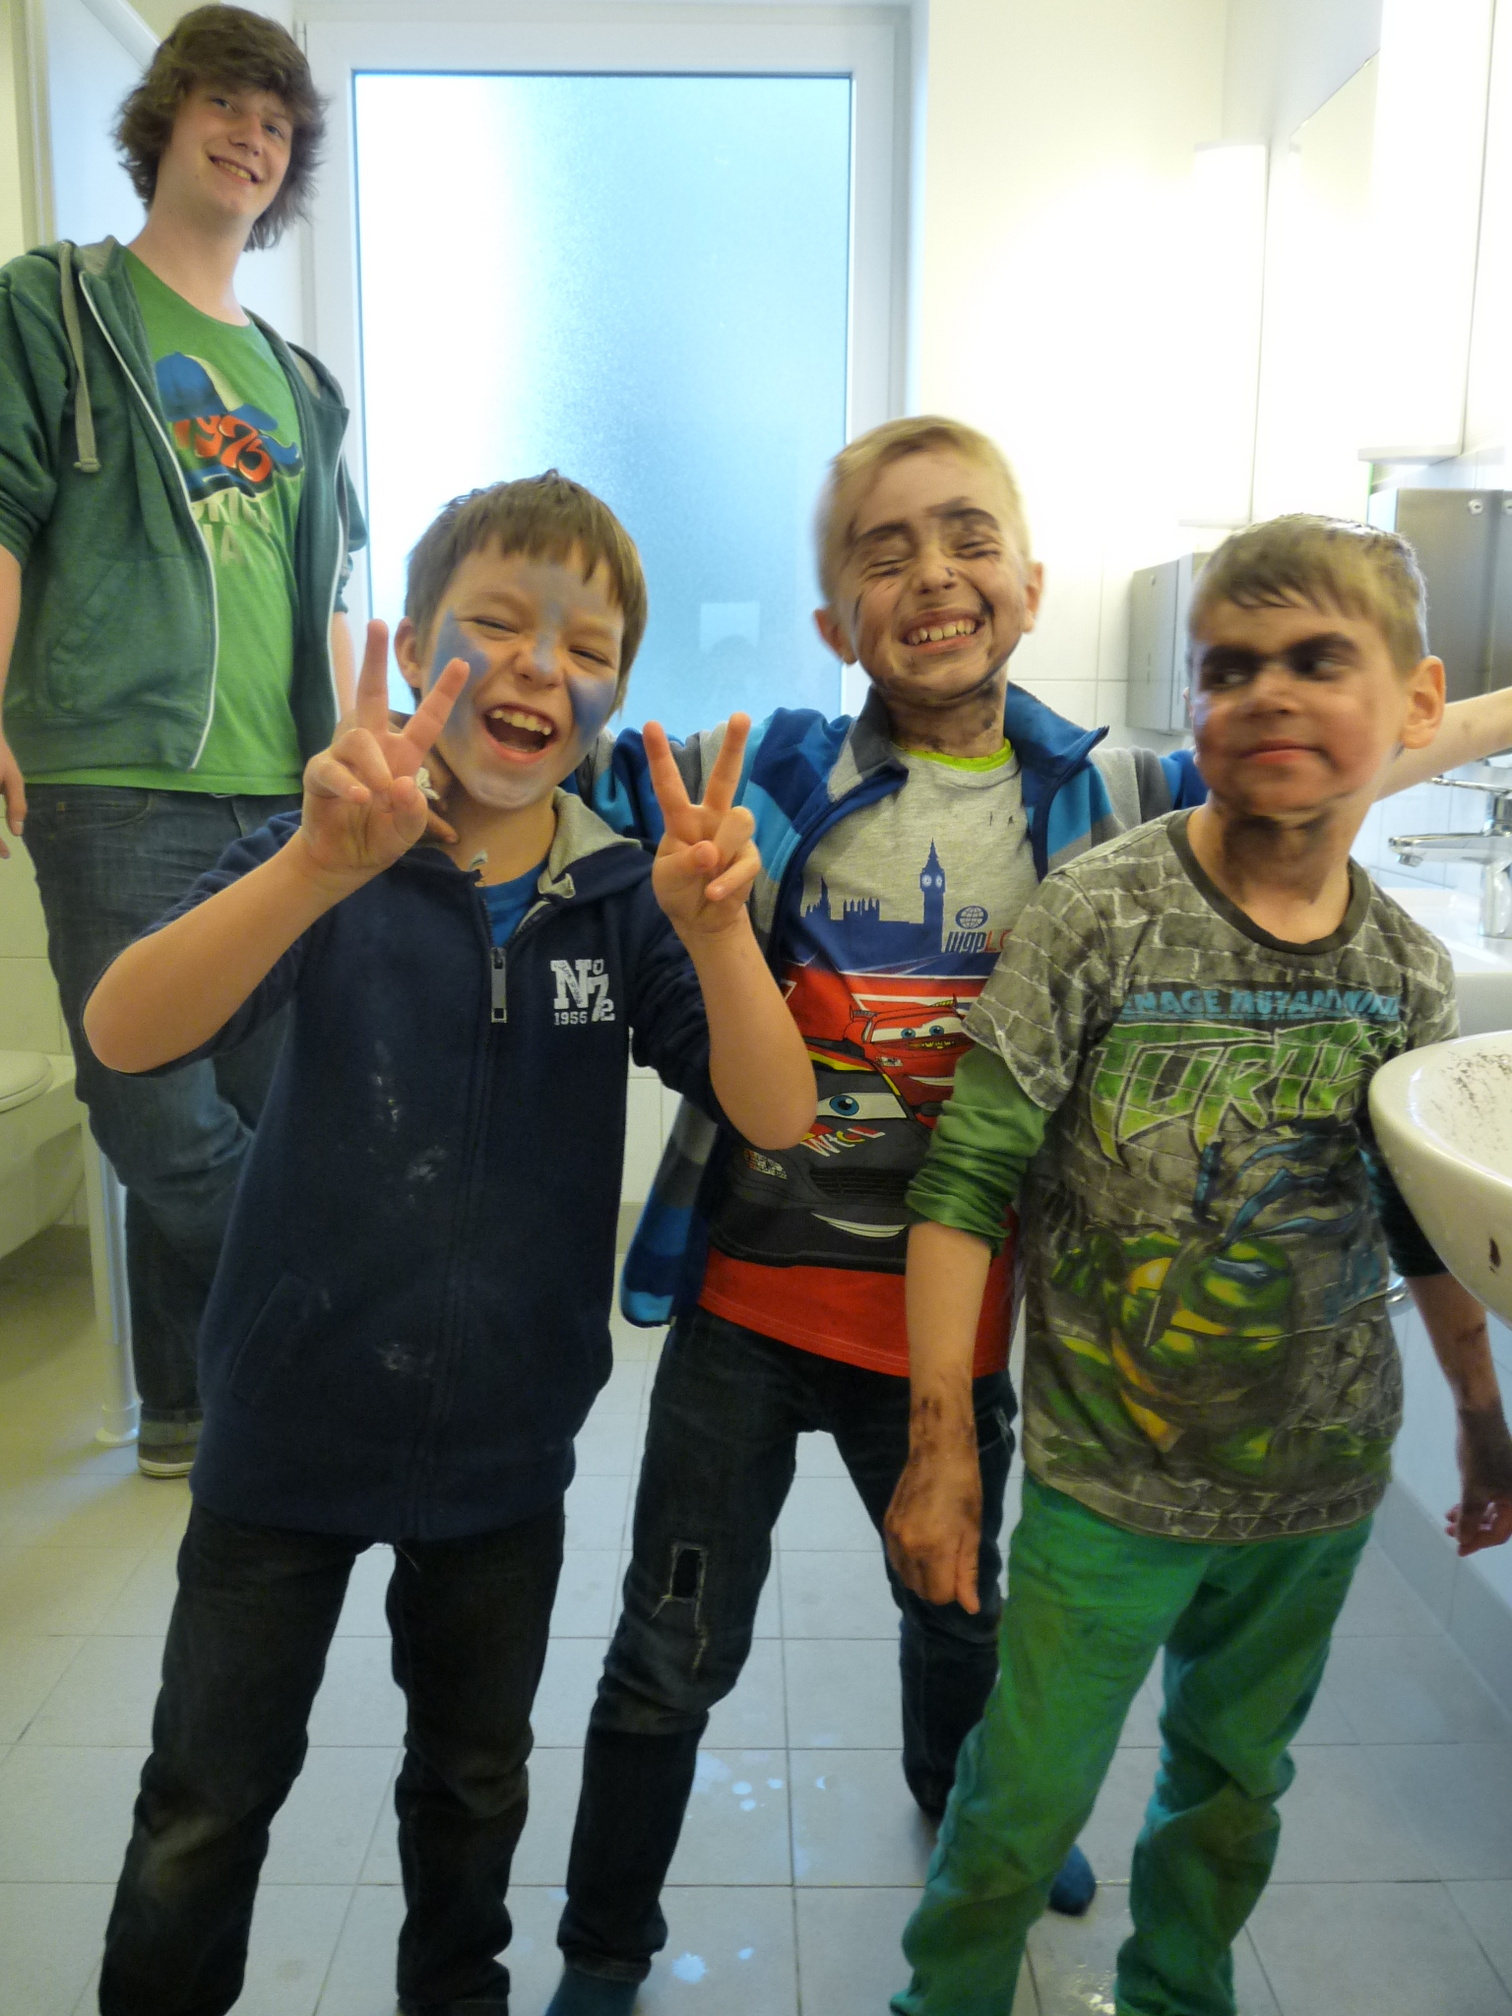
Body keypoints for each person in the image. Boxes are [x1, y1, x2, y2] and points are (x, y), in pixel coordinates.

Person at [543, 417, 1512, 2016]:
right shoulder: (771, 771)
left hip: (970, 1320)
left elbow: (1348, 751)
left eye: (968, 536)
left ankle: (967, 1810)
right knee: (669, 1646)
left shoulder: (1115, 791)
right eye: (886, 552)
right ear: (833, 619)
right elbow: (547, 769)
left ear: (1032, 584)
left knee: (957, 1609)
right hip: (749, 1308)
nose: (933, 572)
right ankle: (603, 1943)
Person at [82, 471, 814, 2016]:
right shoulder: (335, 851)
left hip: (501, 1452)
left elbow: (779, 1110)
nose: (543, 663)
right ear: (417, 651)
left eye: (588, 645)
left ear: (615, 693)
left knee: (473, 1791)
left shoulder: (620, 895)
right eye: (498, 624)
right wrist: (312, 868)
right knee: (204, 1805)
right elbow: (126, 1030)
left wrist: (716, 936)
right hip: (283, 1429)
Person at [884, 512, 1512, 2016]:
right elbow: (967, 1180)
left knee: (1233, 1796)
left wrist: (1481, 1413)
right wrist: (942, 1449)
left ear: (1417, 702)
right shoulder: (1102, 914)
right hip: (1109, 1489)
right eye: (1229, 668)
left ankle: (1179, 1995)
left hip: (1316, 1489)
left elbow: (1423, 1218)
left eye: (1318, 660)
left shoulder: (1407, 969)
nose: (1269, 695)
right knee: (1018, 1808)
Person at [0, 6, 363, 1475]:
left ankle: (188, 1410)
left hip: (278, 793)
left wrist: (351, 767)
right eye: (225, 104)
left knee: (256, 1100)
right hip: (114, 776)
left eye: (277, 124)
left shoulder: (301, 381)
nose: (251, 137)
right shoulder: (59, 303)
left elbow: (326, 599)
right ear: (165, 120)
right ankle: (325, 1324)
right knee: (149, 1100)